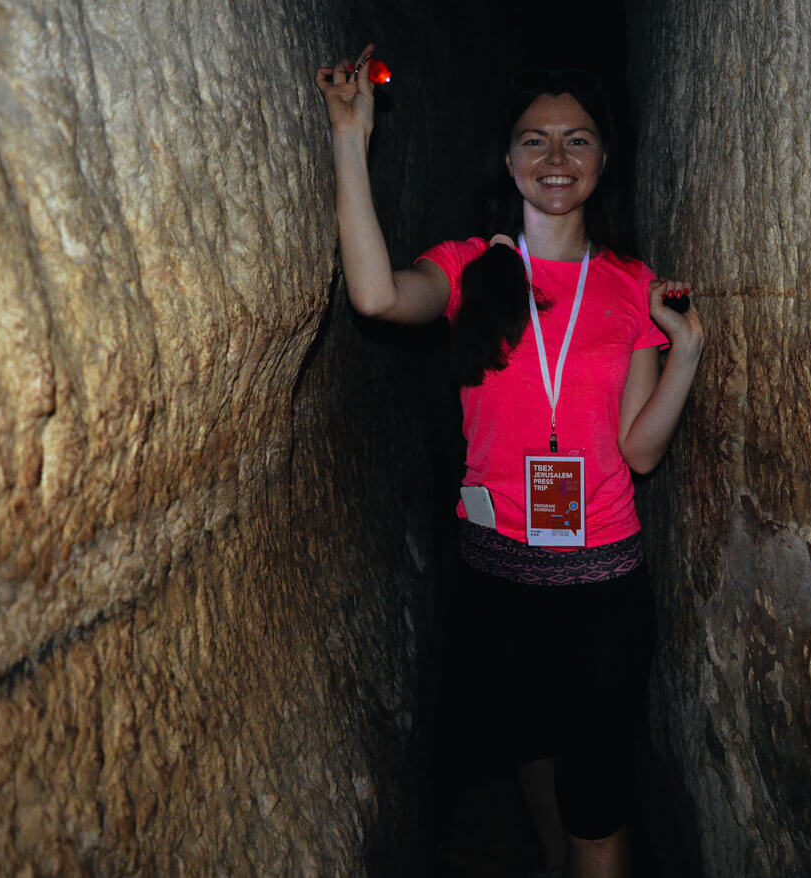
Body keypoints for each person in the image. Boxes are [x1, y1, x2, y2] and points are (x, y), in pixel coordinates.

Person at [316, 45, 703, 878]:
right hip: (496, 580)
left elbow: (640, 451)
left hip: (602, 585)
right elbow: (378, 297)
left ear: (605, 159)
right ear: (506, 155)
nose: (556, 160)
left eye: (578, 140)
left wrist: (689, 352)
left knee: (596, 796)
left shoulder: (632, 285)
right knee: (531, 750)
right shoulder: (467, 270)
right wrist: (352, 141)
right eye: (535, 140)